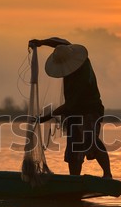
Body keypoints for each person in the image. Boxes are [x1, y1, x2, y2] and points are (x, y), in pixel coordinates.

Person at [28, 37, 112, 178]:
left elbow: (68, 106)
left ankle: (107, 174)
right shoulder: (72, 53)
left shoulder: (81, 78)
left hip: (90, 110)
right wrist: (42, 42)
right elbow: (60, 42)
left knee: (91, 141)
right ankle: (74, 180)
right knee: (73, 149)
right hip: (75, 112)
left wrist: (44, 118)